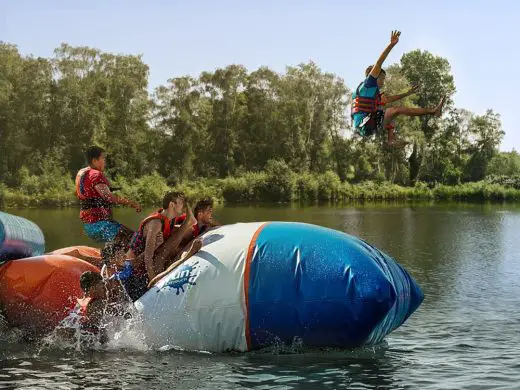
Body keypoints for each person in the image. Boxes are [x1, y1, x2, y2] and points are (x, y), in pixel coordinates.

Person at [351, 30, 446, 147]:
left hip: (366, 124)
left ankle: (391, 140)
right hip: (365, 123)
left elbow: (388, 99)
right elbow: (379, 63)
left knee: (392, 112)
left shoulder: (368, 92)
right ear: (376, 76)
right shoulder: (369, 83)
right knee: (396, 110)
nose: (383, 82)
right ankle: (432, 111)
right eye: (382, 79)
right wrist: (391, 45)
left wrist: (407, 93)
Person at [122, 192, 201, 300]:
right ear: (172, 205)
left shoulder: (169, 219)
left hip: (146, 260)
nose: (184, 207)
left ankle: (188, 221)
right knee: (161, 257)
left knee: (174, 236)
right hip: (133, 268)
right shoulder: (156, 224)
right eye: (182, 203)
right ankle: (188, 221)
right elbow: (147, 259)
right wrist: (153, 283)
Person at [75, 146, 141, 245]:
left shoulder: (82, 172)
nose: (105, 161)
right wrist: (131, 203)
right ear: (94, 160)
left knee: (122, 240)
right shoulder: (96, 175)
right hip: (100, 226)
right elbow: (109, 198)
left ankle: (111, 256)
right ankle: (123, 259)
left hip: (89, 226)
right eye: (103, 158)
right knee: (135, 239)